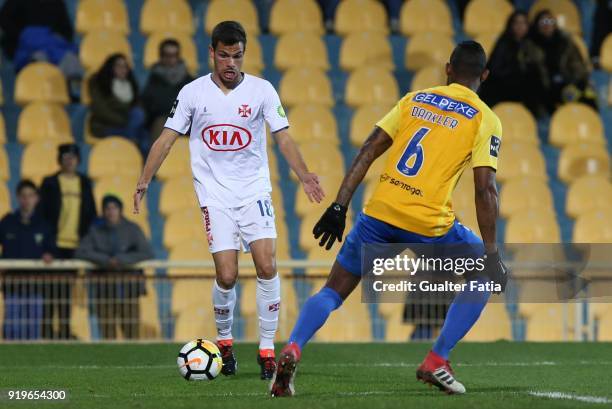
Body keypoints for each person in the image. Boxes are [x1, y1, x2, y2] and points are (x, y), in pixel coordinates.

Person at [270, 41, 508, 397]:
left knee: (333, 292)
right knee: (483, 275)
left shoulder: (414, 100)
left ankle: (293, 347)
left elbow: (368, 150)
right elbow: (484, 189)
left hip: (380, 214)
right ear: (484, 76)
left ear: (447, 69)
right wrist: (491, 253)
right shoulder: (485, 119)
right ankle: (437, 359)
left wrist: (339, 206)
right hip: (430, 225)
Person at [134, 21, 324, 380]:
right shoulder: (192, 93)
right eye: (224, 55)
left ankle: (267, 350)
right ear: (212, 53)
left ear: (244, 54)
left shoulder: (262, 90)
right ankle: (225, 343)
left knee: (267, 266)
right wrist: (144, 180)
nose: (230, 63)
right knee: (227, 274)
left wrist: (304, 175)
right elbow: (166, 139)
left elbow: (283, 138)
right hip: (215, 196)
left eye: (237, 56)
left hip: (254, 191)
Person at [38, 143, 97, 339]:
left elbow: (90, 214)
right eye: (65, 157)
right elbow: (42, 217)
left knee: (65, 295)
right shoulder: (49, 183)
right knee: (49, 293)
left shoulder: (85, 183)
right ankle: (46, 335)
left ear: (77, 159)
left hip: (75, 246)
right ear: (60, 160)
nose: (69, 160)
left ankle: (63, 334)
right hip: (54, 246)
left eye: (72, 156)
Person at [76, 195, 153, 340]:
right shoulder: (95, 231)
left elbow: (147, 252)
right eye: (107, 208)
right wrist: (105, 260)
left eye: (114, 208)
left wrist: (121, 260)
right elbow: (80, 251)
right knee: (108, 336)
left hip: (129, 291)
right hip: (104, 291)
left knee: (132, 335)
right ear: (103, 211)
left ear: (120, 210)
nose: (111, 212)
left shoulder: (133, 229)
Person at [0, 180, 55, 340]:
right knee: (12, 328)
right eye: (23, 196)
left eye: (31, 195)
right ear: (18, 198)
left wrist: (50, 255)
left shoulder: (44, 225)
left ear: (36, 198)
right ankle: (10, 363)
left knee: (33, 328)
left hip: (36, 285)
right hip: (12, 285)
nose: (27, 200)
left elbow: (52, 249)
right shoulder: (7, 221)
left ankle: (32, 363)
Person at [479, 11, 549, 117]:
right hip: (501, 89)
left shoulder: (532, 44)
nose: (520, 27)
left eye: (523, 23)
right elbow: (495, 71)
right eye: (517, 23)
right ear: (511, 25)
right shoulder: (503, 43)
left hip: (523, 91)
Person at [528, 10, 597, 112]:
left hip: (566, 82)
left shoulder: (565, 42)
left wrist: (578, 82)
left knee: (589, 99)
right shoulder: (530, 46)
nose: (547, 25)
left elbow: (577, 65)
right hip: (545, 86)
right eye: (543, 22)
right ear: (536, 25)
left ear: (555, 24)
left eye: (550, 21)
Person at [88, 54, 149, 154]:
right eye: (118, 66)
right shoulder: (99, 82)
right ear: (110, 68)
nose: (122, 69)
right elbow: (100, 110)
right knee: (136, 132)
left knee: (146, 140)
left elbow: (138, 107)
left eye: (125, 66)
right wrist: (123, 121)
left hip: (129, 125)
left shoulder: (131, 84)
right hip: (106, 125)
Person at [142, 39, 193, 141]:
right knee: (162, 124)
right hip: (162, 119)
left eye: (174, 55)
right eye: (167, 55)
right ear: (161, 56)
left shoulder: (189, 79)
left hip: (186, 120)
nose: (170, 59)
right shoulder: (154, 79)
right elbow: (150, 105)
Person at [0, 0, 73, 59]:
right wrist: (24, 36)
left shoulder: (57, 3)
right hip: (24, 49)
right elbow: (4, 21)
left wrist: (56, 38)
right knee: (39, 58)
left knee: (70, 59)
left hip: (53, 47)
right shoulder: (15, 3)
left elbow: (67, 32)